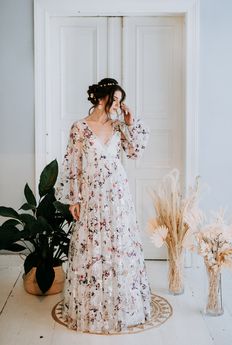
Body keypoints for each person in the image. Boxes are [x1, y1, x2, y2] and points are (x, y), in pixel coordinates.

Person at [55, 78, 151, 334]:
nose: (118, 105)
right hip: (93, 196)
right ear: (100, 98)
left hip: (118, 196)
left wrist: (131, 121)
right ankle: (93, 306)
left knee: (120, 245)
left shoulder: (120, 127)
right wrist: (74, 198)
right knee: (92, 244)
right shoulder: (79, 128)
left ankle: (122, 307)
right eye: (115, 99)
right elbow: (73, 164)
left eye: (120, 100)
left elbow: (136, 152)